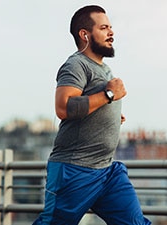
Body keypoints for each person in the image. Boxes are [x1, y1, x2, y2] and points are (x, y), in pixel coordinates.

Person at [32, 5, 151, 225]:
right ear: (85, 34)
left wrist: (112, 114)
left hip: (107, 171)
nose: (111, 33)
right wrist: (108, 95)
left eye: (111, 27)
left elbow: (91, 102)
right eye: (104, 28)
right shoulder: (76, 65)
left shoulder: (104, 68)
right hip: (74, 170)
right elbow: (64, 107)